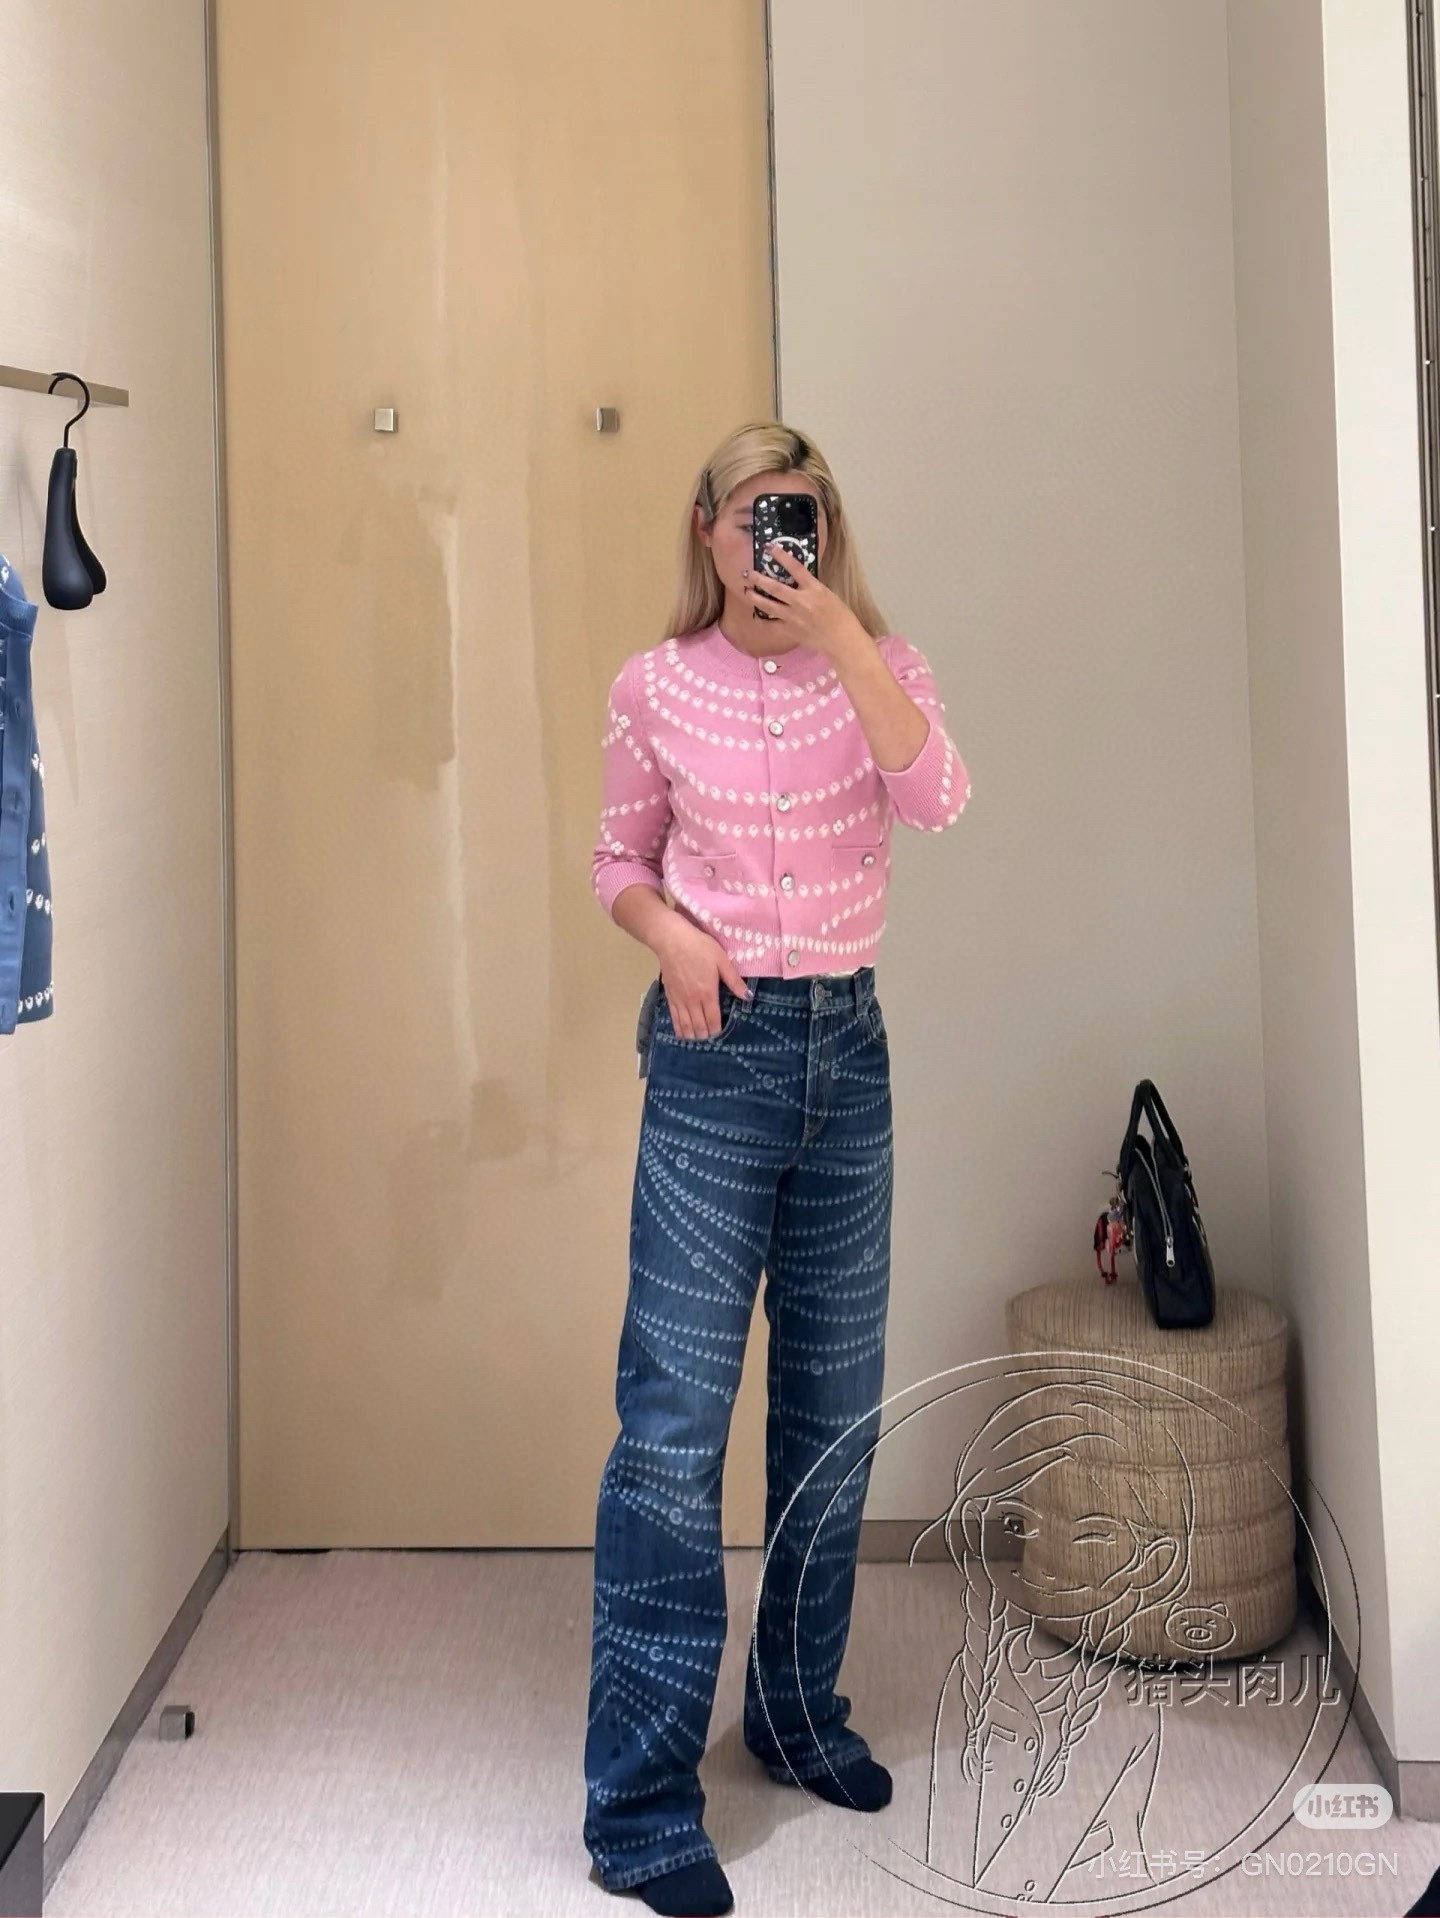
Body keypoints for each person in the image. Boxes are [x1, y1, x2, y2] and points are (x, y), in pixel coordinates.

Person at [581, 420, 969, 1916]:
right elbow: (618, 862)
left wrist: (843, 638)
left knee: (831, 1416)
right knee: (672, 1430)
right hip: (713, 1057)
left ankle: (798, 1714)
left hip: (847, 1060)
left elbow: (938, 797)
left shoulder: (884, 666)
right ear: (706, 529)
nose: (772, 542)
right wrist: (674, 938)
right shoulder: (654, 685)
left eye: (796, 517)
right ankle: (639, 1807)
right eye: (751, 517)